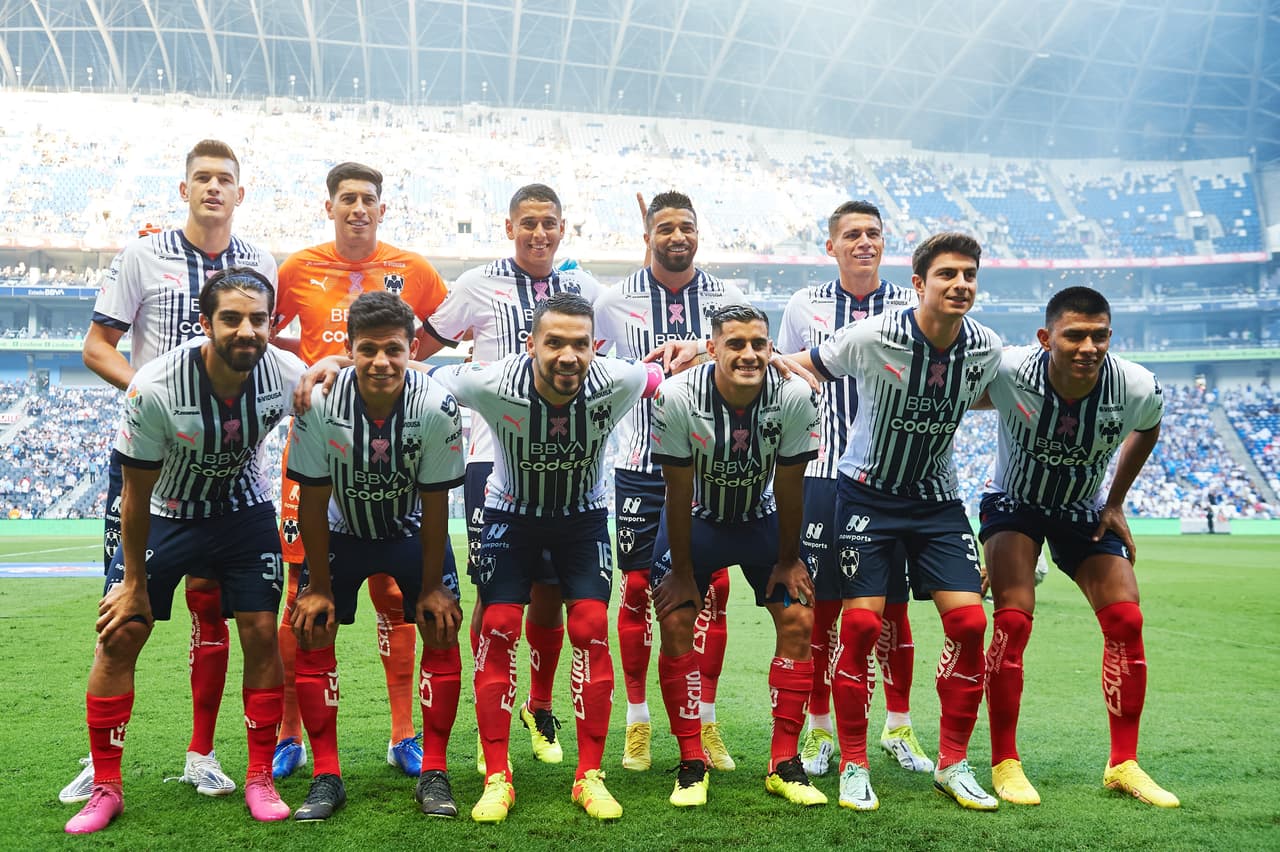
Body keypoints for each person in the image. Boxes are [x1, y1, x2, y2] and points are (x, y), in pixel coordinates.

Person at [67, 139, 277, 805]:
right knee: (122, 611)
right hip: (152, 465)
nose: (213, 188)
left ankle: (204, 754)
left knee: (216, 613)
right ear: (184, 188)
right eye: (202, 178)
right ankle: (98, 761)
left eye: (225, 180)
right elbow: (96, 345)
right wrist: (149, 398)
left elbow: (267, 353)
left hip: (230, 469)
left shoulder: (260, 262)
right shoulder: (142, 256)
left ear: (239, 194)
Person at [64, 267, 305, 834]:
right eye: (231, 318)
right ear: (205, 324)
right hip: (165, 513)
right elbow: (134, 490)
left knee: (262, 633)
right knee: (121, 632)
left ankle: (259, 777)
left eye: (258, 319)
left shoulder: (283, 372)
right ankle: (106, 787)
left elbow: (331, 392)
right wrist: (132, 583)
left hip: (243, 516)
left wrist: (325, 367)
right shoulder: (155, 388)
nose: (246, 330)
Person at [785, 232, 1003, 811]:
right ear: (919, 284)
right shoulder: (873, 335)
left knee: (971, 626)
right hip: (866, 498)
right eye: (947, 275)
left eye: (969, 276)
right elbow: (802, 364)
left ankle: (953, 763)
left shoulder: (986, 347)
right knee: (858, 628)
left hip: (937, 502)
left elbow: (1001, 396)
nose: (960, 285)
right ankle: (854, 763)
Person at [430, 292, 663, 823]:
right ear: (530, 344)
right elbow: (430, 378)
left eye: (580, 345)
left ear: (594, 348)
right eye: (554, 342)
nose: (568, 356)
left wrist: (697, 351)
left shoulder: (616, 380)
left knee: (588, 626)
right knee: (499, 624)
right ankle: (497, 776)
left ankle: (589, 777)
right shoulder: (491, 382)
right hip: (511, 515)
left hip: (582, 520)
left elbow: (661, 378)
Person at [269, 162, 449, 780]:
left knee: (395, 593)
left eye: (368, 199)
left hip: (392, 447)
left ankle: (404, 735)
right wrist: (312, 364)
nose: (358, 208)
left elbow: (444, 335)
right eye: (347, 198)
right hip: (318, 451)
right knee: (304, 591)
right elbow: (263, 338)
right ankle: (291, 733)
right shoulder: (296, 268)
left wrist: (406, 370)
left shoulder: (415, 270)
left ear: (381, 208)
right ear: (330, 206)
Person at [420, 184, 601, 771]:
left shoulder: (583, 286)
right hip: (489, 455)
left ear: (562, 227)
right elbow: (425, 344)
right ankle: (487, 719)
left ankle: (540, 706)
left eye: (549, 223)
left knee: (551, 594)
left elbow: (622, 349)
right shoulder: (476, 283)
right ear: (509, 227)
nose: (539, 233)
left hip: (567, 459)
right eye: (529, 222)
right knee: (496, 597)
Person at [978, 286, 1178, 808]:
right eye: (1074, 335)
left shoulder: (1135, 385)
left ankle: (1124, 763)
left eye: (1100, 335)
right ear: (1046, 338)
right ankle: (1005, 761)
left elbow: (1149, 428)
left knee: (1126, 621)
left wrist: (1115, 500)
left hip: (1083, 508)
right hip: (1015, 502)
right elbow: (953, 399)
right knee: (1014, 620)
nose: (1089, 346)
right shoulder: (1009, 370)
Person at [285, 292, 465, 820]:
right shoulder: (319, 403)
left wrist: (432, 586)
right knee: (312, 626)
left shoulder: (435, 406)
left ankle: (434, 771)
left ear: (412, 348)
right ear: (349, 349)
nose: (381, 362)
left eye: (393, 349)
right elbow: (313, 502)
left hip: (410, 530)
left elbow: (436, 507)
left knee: (439, 622)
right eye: (368, 350)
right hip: (342, 531)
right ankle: (326, 776)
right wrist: (317, 586)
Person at [594, 191, 749, 773]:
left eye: (686, 226)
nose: (677, 236)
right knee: (637, 592)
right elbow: (592, 369)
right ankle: (638, 723)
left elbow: (753, 364)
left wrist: (703, 359)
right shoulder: (614, 301)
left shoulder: (727, 299)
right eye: (666, 227)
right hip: (641, 466)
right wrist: (654, 374)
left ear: (697, 234)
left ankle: (706, 722)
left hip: (713, 469)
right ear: (648, 235)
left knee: (714, 594)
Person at [778, 200, 931, 779]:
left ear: (884, 243)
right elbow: (787, 371)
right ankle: (819, 732)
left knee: (892, 609)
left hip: (890, 480)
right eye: (851, 235)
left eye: (873, 234)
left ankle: (897, 725)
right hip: (821, 475)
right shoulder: (804, 306)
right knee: (823, 610)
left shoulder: (910, 305)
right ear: (831, 246)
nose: (863, 242)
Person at [649, 304, 822, 808]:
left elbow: (791, 488)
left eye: (758, 344)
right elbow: (677, 493)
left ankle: (783, 764)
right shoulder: (676, 395)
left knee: (799, 620)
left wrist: (788, 561)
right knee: (677, 621)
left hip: (760, 520)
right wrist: (683, 573)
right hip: (697, 520)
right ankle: (690, 763)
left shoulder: (794, 394)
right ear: (713, 347)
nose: (748, 354)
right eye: (736, 344)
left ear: (771, 348)